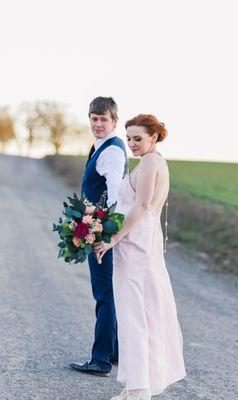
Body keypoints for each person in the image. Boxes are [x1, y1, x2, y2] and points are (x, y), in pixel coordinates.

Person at [95, 114, 186, 399]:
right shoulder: (156, 161)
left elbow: (143, 205)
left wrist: (112, 239)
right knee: (141, 314)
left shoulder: (149, 163)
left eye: (138, 139)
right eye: (129, 138)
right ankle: (137, 385)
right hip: (141, 242)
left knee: (134, 315)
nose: (132, 144)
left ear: (154, 137)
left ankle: (137, 389)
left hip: (136, 245)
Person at [70, 97, 128, 376]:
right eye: (94, 118)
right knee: (108, 292)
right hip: (101, 229)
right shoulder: (101, 147)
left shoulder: (113, 152)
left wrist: (105, 231)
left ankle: (101, 359)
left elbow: (115, 193)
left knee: (104, 294)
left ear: (114, 121)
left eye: (104, 119)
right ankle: (114, 351)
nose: (98, 123)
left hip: (104, 234)